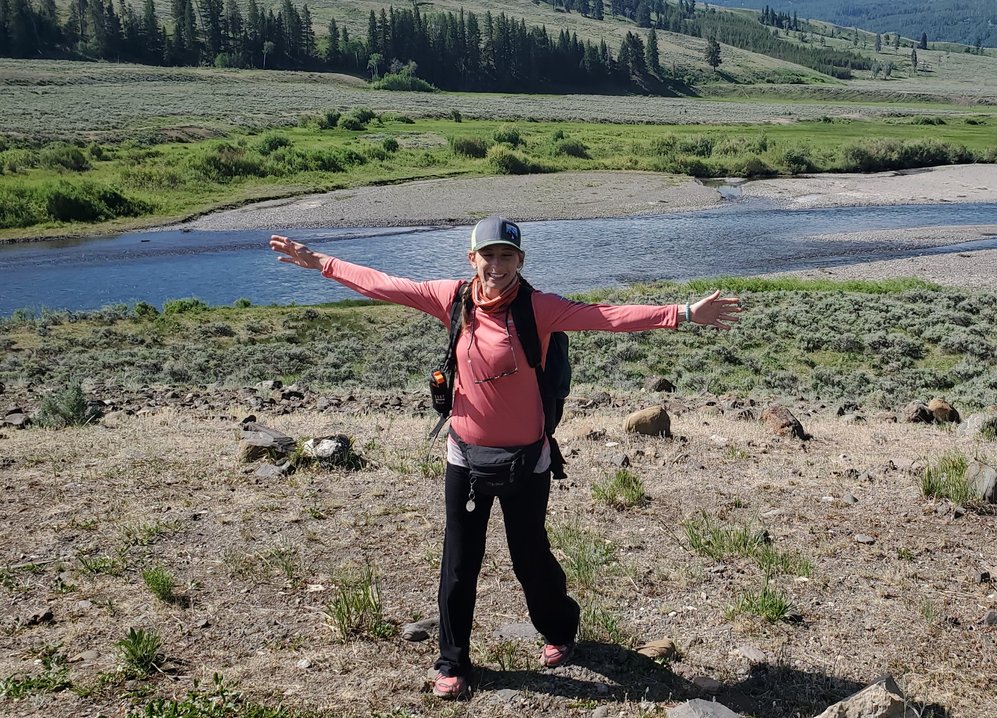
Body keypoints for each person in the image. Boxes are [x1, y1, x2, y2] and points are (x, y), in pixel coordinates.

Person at [268, 218, 741, 700]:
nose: (497, 265)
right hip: (465, 460)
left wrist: (683, 312)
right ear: (472, 258)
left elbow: (608, 315)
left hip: (526, 461)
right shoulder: (450, 298)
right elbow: (387, 285)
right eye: (488, 256)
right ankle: (452, 662)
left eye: (507, 256)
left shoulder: (539, 308)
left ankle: (560, 630)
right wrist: (321, 263)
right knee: (458, 564)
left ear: (520, 260)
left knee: (531, 558)